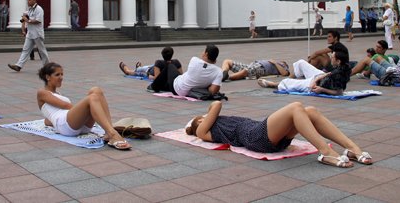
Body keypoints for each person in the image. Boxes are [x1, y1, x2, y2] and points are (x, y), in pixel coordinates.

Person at [186, 100, 372, 168]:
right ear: (200, 122)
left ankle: (351, 148)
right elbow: (217, 104)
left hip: (263, 134)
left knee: (311, 111)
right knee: (296, 107)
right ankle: (325, 151)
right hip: (254, 138)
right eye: (202, 117)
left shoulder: (212, 123)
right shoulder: (203, 131)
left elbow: (216, 107)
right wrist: (203, 116)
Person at [37, 62, 131, 150]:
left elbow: (48, 119)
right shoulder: (42, 93)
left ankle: (108, 132)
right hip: (66, 126)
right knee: (92, 98)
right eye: (57, 75)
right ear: (48, 77)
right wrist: (90, 108)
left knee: (96, 90)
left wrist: (89, 110)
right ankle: (113, 134)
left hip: (76, 124)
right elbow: (65, 105)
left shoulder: (58, 93)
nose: (61, 77)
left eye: (62, 74)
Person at [258, 52, 351, 96]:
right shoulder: (340, 67)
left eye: (333, 57)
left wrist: (321, 89)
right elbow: (329, 74)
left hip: (314, 85)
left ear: (338, 61)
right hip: (318, 78)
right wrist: (318, 78)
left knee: (287, 82)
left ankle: (275, 84)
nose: (331, 58)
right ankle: (293, 79)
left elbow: (339, 92)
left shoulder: (340, 75)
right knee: (301, 63)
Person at [150, 45, 223, 96]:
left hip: (177, 87)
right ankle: (160, 85)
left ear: (206, 54)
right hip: (188, 90)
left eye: (203, 51)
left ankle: (154, 86)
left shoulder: (194, 60)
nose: (202, 53)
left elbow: (203, 67)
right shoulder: (218, 72)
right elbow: (213, 90)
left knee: (170, 66)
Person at [8, 0, 49, 72]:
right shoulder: (30, 10)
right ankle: (18, 65)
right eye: (27, 0)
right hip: (30, 33)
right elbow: (27, 17)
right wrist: (24, 18)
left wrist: (27, 20)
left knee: (42, 51)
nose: (28, 1)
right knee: (25, 50)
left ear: (34, 0)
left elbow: (38, 20)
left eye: (29, 0)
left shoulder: (39, 9)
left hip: (37, 33)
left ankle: (47, 67)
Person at [118, 46, 182, 80]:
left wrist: (150, 76)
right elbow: (180, 76)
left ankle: (128, 70)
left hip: (148, 71)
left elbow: (156, 78)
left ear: (162, 55)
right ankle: (138, 68)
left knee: (136, 71)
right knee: (143, 68)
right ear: (172, 54)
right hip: (151, 68)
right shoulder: (176, 62)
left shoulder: (159, 62)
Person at [221, 59, 290, 81]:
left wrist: (275, 63)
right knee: (227, 61)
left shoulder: (284, 67)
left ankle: (226, 77)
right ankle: (224, 73)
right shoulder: (276, 62)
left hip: (261, 68)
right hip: (253, 65)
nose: (282, 61)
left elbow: (285, 73)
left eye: (283, 62)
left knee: (245, 71)